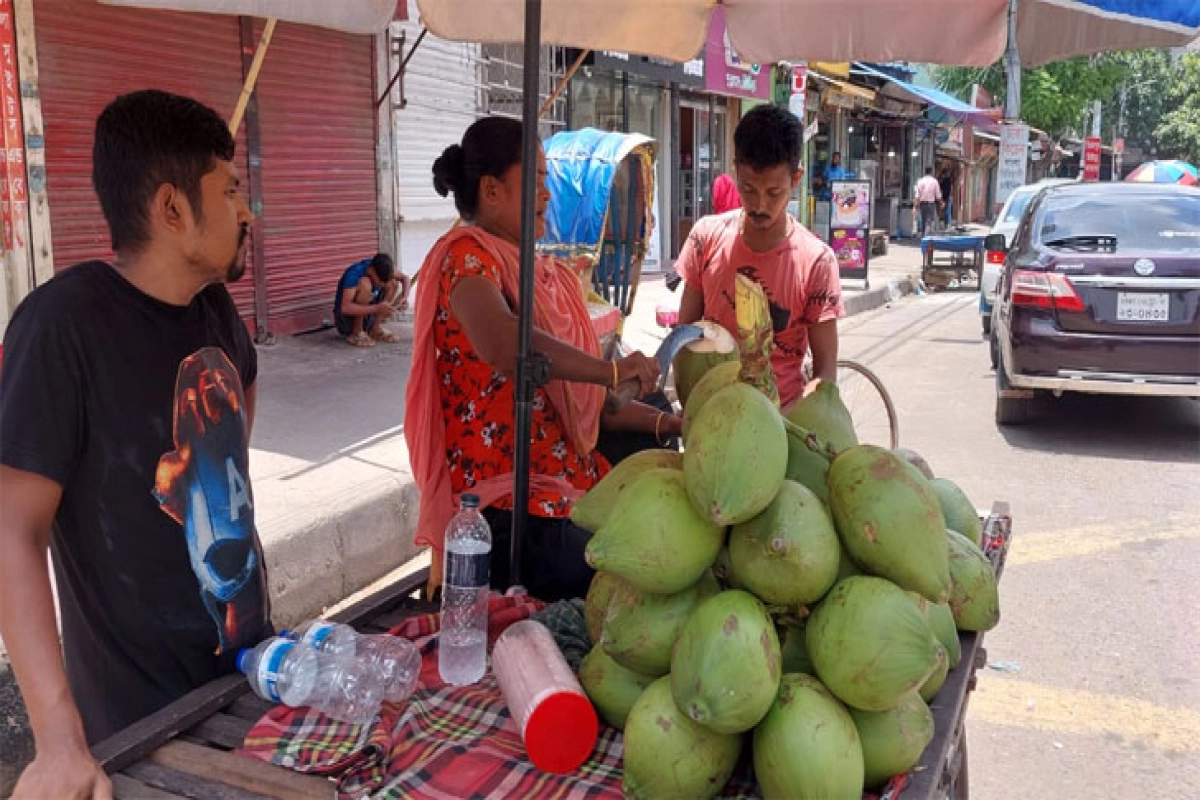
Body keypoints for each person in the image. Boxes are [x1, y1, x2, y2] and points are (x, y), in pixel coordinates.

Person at [0, 90, 271, 798]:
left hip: (247, 684)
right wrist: (58, 739)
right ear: (173, 210)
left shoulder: (212, 306)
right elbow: (11, 530)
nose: (248, 211)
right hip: (143, 730)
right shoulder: (63, 327)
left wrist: (223, 475)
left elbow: (246, 383)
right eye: (231, 189)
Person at [405, 117, 676, 602]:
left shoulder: (539, 272)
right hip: (508, 513)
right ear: (491, 190)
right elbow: (507, 343)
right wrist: (610, 369)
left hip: (564, 484)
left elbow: (596, 406)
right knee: (640, 569)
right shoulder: (466, 258)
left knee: (658, 440)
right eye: (537, 181)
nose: (548, 195)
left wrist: (676, 425)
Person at [676, 104, 845, 411]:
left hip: (781, 426)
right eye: (748, 189)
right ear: (735, 168)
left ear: (796, 179)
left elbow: (825, 374)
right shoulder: (705, 238)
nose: (759, 205)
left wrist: (786, 426)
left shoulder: (817, 262)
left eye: (774, 192)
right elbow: (683, 338)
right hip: (710, 418)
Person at [333, 252, 411, 347]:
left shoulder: (382, 267)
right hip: (346, 321)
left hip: (368, 316)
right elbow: (345, 308)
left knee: (392, 283)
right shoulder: (354, 273)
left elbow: (405, 278)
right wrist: (377, 308)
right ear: (371, 271)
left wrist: (404, 297)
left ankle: (375, 329)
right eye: (380, 281)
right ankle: (357, 332)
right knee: (365, 284)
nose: (382, 285)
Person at [914, 166, 943, 236]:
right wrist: (941, 203)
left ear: (925, 172)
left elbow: (917, 195)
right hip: (931, 204)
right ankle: (926, 236)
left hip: (922, 204)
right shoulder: (934, 181)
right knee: (929, 220)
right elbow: (938, 195)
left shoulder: (920, 181)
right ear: (931, 172)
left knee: (923, 220)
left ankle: (923, 235)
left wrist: (914, 207)